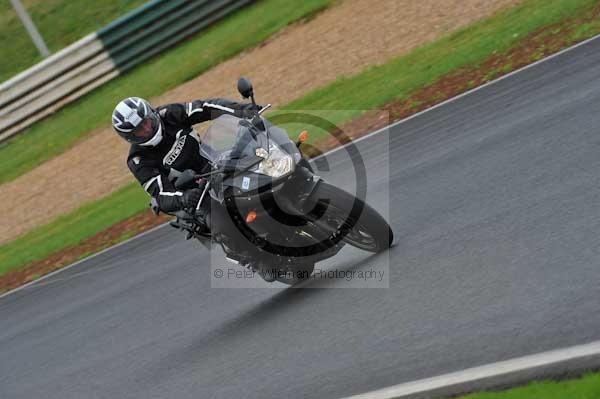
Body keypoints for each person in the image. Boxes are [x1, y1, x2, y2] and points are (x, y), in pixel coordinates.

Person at [111, 96, 260, 220]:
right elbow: (161, 194)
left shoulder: (168, 114)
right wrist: (184, 198)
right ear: (130, 137)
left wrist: (242, 110)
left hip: (215, 162)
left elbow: (205, 107)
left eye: (146, 122)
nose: (147, 129)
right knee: (221, 220)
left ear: (151, 114)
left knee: (262, 167)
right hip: (194, 191)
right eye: (139, 131)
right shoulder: (138, 159)